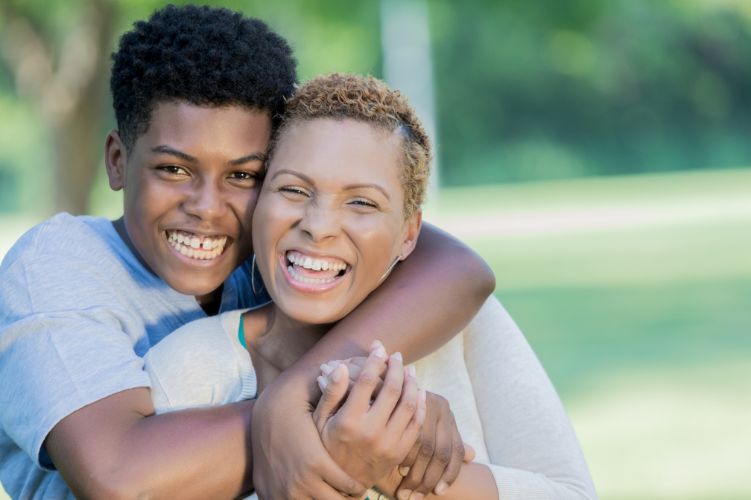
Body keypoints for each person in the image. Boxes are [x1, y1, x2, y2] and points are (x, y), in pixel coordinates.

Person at [0, 6, 495, 499]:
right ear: (117, 161)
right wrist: (336, 417)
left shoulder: (266, 260)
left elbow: (459, 268)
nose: (207, 209)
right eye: (174, 169)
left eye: (244, 176)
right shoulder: (56, 265)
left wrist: (296, 391)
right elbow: (122, 478)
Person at [143, 73, 597, 499]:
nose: (318, 227)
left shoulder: (461, 326)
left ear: (409, 234)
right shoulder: (188, 367)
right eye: (294, 191)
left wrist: (394, 464)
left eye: (361, 203)